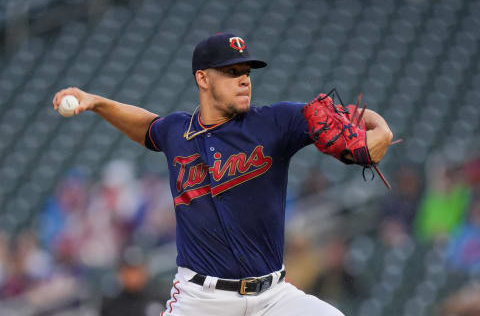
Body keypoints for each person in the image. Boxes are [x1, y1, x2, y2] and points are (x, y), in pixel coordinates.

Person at [52, 33, 393, 316]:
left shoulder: (276, 122)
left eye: (247, 71)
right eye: (231, 71)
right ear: (203, 78)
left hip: (272, 297)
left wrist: (381, 131)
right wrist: (96, 102)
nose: (244, 79)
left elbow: (348, 117)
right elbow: (146, 126)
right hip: (201, 300)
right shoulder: (176, 132)